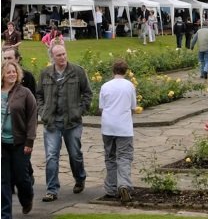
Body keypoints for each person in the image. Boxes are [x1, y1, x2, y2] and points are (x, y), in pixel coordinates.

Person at [36, 44, 92, 202]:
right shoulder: (45, 73)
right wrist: (42, 111)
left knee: (75, 154)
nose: (62, 57)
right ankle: (51, 190)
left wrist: (79, 111)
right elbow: (38, 95)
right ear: (52, 57)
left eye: (63, 54)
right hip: (51, 122)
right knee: (51, 156)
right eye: (58, 55)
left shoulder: (77, 71)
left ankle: (80, 178)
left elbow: (87, 93)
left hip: (72, 122)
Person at [1, 61, 37, 217]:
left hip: (20, 143)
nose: (12, 74)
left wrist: (30, 141)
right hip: (2, 144)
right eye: (8, 72)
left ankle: (27, 198)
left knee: (21, 178)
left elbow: (32, 118)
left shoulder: (25, 93)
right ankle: (5, 214)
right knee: (4, 182)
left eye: (14, 72)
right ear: (2, 74)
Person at [99, 60, 136, 203]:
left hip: (108, 126)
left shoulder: (105, 86)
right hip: (124, 127)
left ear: (113, 71)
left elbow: (101, 107)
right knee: (124, 157)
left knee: (110, 157)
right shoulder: (129, 86)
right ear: (125, 71)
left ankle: (111, 188)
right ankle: (124, 184)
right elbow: (133, 107)